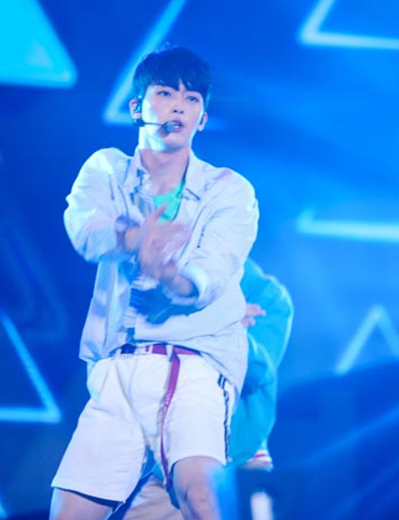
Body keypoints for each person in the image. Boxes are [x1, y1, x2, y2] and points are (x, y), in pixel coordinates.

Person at [50, 45, 259, 520]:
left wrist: (170, 275)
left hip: (194, 361)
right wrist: (134, 238)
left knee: (200, 495)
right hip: (118, 367)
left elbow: (211, 272)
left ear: (202, 119)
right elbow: (86, 228)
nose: (178, 107)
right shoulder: (106, 169)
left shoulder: (229, 190)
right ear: (136, 107)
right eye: (165, 94)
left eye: (191, 99)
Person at [111, 258, 294, 520]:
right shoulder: (165, 282)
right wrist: (219, 320)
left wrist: (221, 327)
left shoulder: (267, 295)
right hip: (171, 456)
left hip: (238, 456)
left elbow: (257, 370)